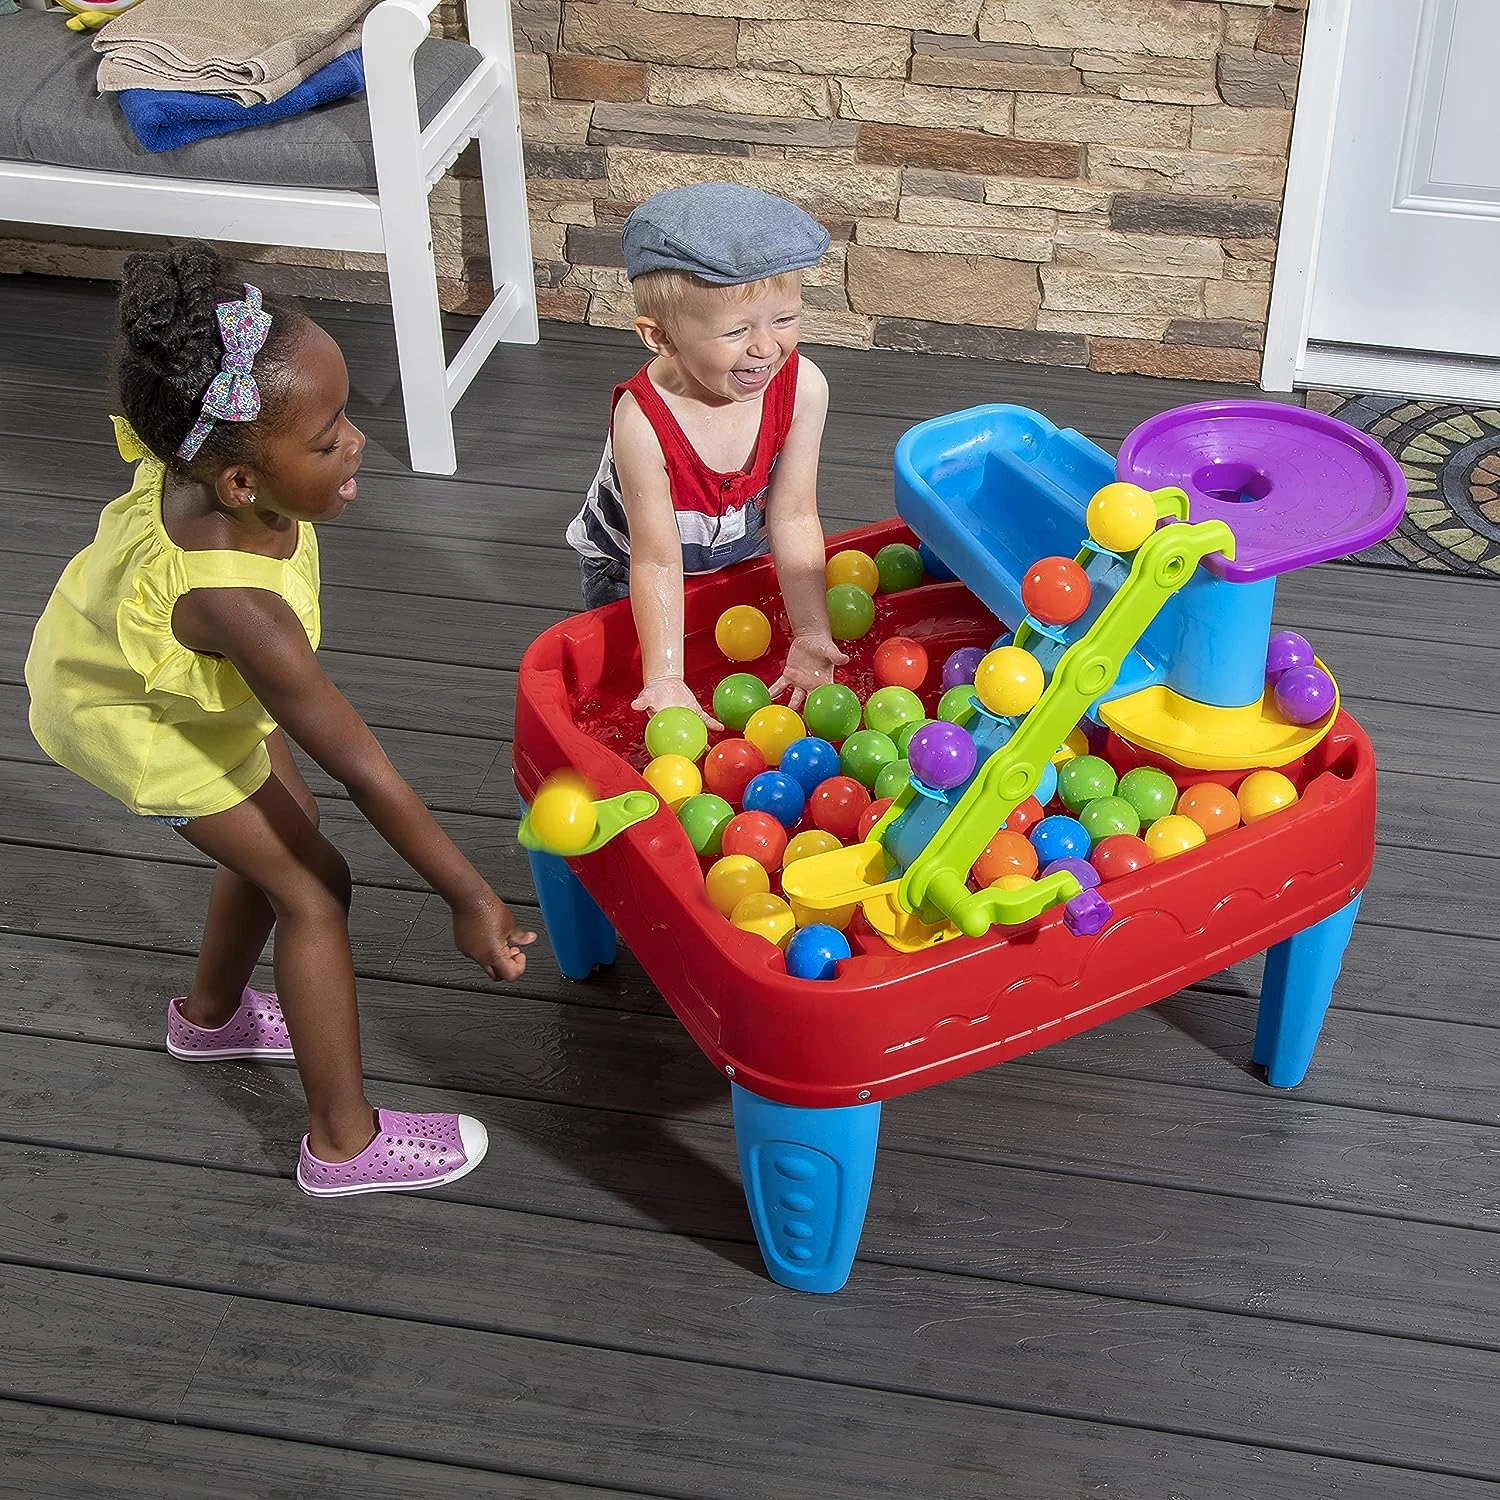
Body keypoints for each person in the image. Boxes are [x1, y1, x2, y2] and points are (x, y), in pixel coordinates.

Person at [24, 242, 535, 1198]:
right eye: (330, 435)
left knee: (284, 844)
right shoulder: (243, 613)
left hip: (149, 669)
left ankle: (209, 1019)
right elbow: (364, 769)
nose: (358, 445)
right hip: (133, 712)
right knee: (314, 887)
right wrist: (469, 895)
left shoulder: (210, 449)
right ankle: (343, 1143)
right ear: (241, 485)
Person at [567, 181, 849, 724]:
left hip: (739, 552)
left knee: (735, 665)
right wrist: (666, 676)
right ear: (661, 338)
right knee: (641, 691)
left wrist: (811, 631)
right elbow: (655, 557)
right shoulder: (643, 422)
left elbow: (791, 515)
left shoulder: (803, 388)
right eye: (737, 330)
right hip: (631, 568)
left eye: (784, 320)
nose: (766, 347)